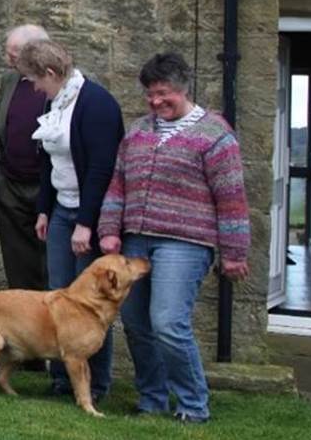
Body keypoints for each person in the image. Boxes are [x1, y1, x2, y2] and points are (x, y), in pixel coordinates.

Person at [99, 53, 250, 424]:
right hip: (135, 241)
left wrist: (234, 252)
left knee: (167, 322)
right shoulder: (136, 131)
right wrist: (108, 231)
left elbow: (231, 197)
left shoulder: (215, 135)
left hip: (185, 242)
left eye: (163, 93)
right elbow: (118, 185)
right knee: (136, 324)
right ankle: (152, 399)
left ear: (183, 88)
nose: (155, 102)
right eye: (150, 94)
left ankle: (193, 405)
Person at [19, 39, 124, 402]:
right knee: (61, 297)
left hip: (88, 213)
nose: (33, 88)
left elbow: (100, 169)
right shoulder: (55, 102)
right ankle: (63, 381)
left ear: (51, 73)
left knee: (91, 304)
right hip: (62, 209)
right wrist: (45, 210)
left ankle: (95, 386)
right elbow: (49, 161)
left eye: (35, 79)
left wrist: (86, 222)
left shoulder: (96, 104)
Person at [0, 24, 50, 297]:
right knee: (18, 269)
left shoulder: (67, 82)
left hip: (49, 189)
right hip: (10, 188)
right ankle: (25, 332)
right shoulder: (9, 81)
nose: (8, 60)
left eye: (13, 55)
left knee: (52, 268)